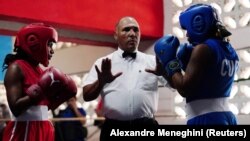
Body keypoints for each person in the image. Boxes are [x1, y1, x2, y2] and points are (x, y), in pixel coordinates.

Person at [82, 16, 168, 140]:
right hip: (113, 129)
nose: (132, 34)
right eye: (126, 30)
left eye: (136, 30)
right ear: (116, 35)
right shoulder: (102, 63)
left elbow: (177, 87)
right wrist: (100, 82)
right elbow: (86, 95)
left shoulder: (153, 61)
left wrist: (164, 73)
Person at [154, 3, 239, 125]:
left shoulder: (202, 49)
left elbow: (184, 89)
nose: (187, 34)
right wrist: (164, 72)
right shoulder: (229, 50)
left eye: (188, 29)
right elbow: (184, 85)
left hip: (207, 119)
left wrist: (170, 61)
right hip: (226, 117)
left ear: (198, 24)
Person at [2, 23, 77, 141]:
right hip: (24, 129)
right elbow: (15, 108)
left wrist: (58, 98)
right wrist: (40, 90)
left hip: (44, 127)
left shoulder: (40, 71)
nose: (52, 51)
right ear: (34, 43)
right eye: (49, 45)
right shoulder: (16, 68)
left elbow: (42, 107)